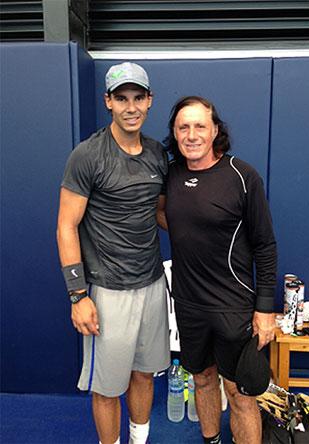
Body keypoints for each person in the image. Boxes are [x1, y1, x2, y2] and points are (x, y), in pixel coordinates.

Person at [56, 62, 170, 444]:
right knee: (107, 388)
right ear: (109, 102)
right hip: (107, 291)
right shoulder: (87, 155)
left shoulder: (156, 154)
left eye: (138, 97)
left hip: (153, 285)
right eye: (122, 98)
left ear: (150, 101)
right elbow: (66, 226)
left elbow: (159, 214)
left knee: (144, 374)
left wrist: (210, 230)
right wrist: (78, 296)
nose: (131, 107)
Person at [161, 96, 277, 444]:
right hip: (189, 305)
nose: (191, 134)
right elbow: (167, 215)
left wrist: (265, 309)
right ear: (175, 133)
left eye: (200, 126)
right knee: (202, 379)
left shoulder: (243, 176)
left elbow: (265, 245)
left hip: (233, 306)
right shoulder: (171, 175)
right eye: (184, 127)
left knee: (240, 393)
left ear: (215, 131)